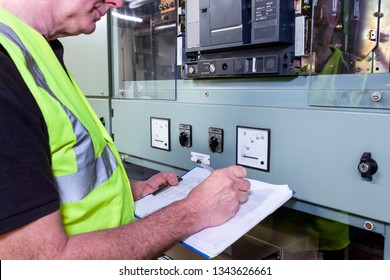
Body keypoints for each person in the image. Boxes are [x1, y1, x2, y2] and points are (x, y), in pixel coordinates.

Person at [0, 0, 250, 259]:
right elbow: (44, 263)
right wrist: (193, 211)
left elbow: (62, 172)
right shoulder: (5, 65)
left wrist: (128, 190)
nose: (117, 3)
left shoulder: (36, 49)